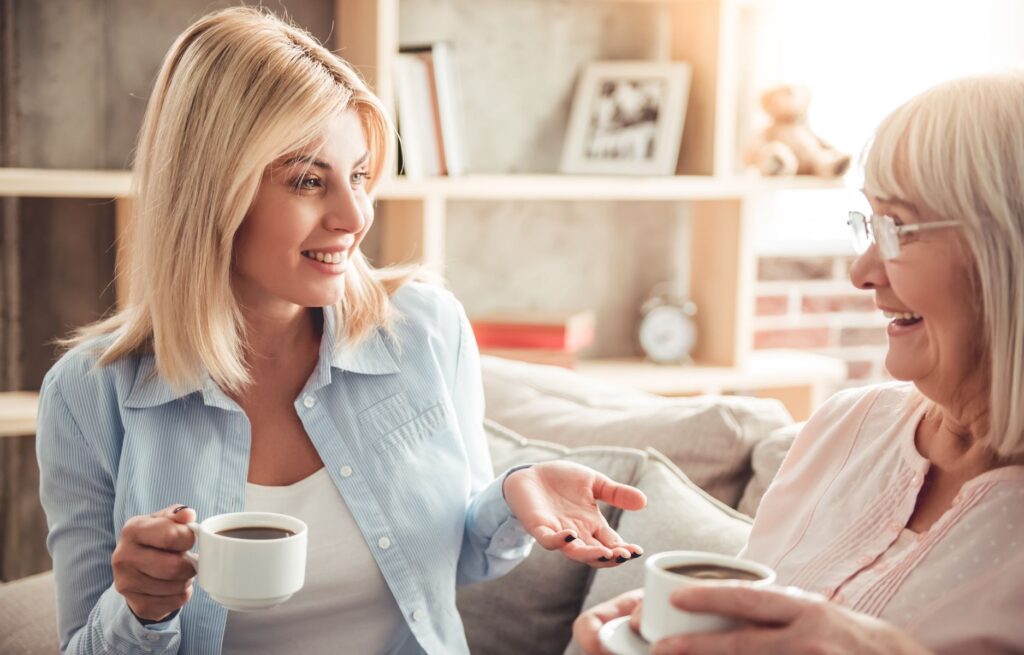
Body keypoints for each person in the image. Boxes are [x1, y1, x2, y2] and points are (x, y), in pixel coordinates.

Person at [35, 8, 648, 655]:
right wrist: (140, 608)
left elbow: (462, 559)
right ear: (213, 190)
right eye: (308, 180)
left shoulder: (426, 329)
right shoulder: (88, 394)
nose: (355, 215)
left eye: (358, 174)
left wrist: (510, 493)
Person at [574, 72, 1024, 655]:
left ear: (1007, 253)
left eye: (898, 229)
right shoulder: (848, 428)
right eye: (869, 223)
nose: (861, 271)